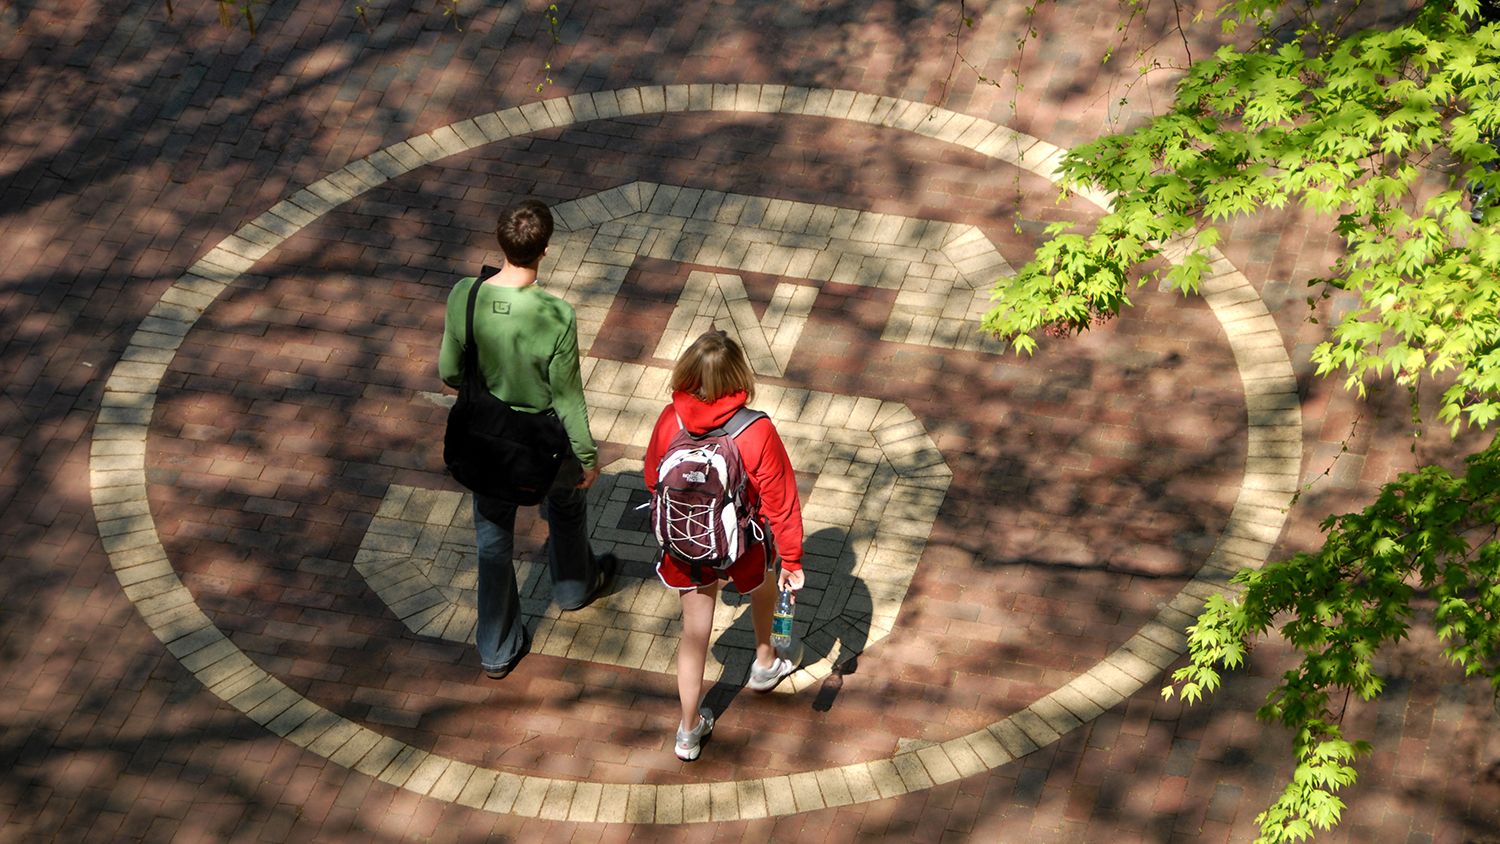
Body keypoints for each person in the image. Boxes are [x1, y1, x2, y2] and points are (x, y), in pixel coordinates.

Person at [438, 199, 613, 680]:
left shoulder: (464, 295)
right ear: (545, 251)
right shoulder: (556, 316)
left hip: (484, 440)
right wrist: (588, 458)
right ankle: (574, 587)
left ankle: (496, 647)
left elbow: (450, 371)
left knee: (492, 541)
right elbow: (568, 400)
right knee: (567, 500)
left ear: (502, 242)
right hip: (541, 444)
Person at [643, 329, 806, 761]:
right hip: (743, 544)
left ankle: (687, 729)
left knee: (694, 633)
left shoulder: (669, 419)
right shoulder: (755, 430)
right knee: (763, 587)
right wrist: (791, 558)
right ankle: (766, 660)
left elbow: (650, 478)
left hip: (685, 545)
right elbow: (781, 501)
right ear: (739, 375)